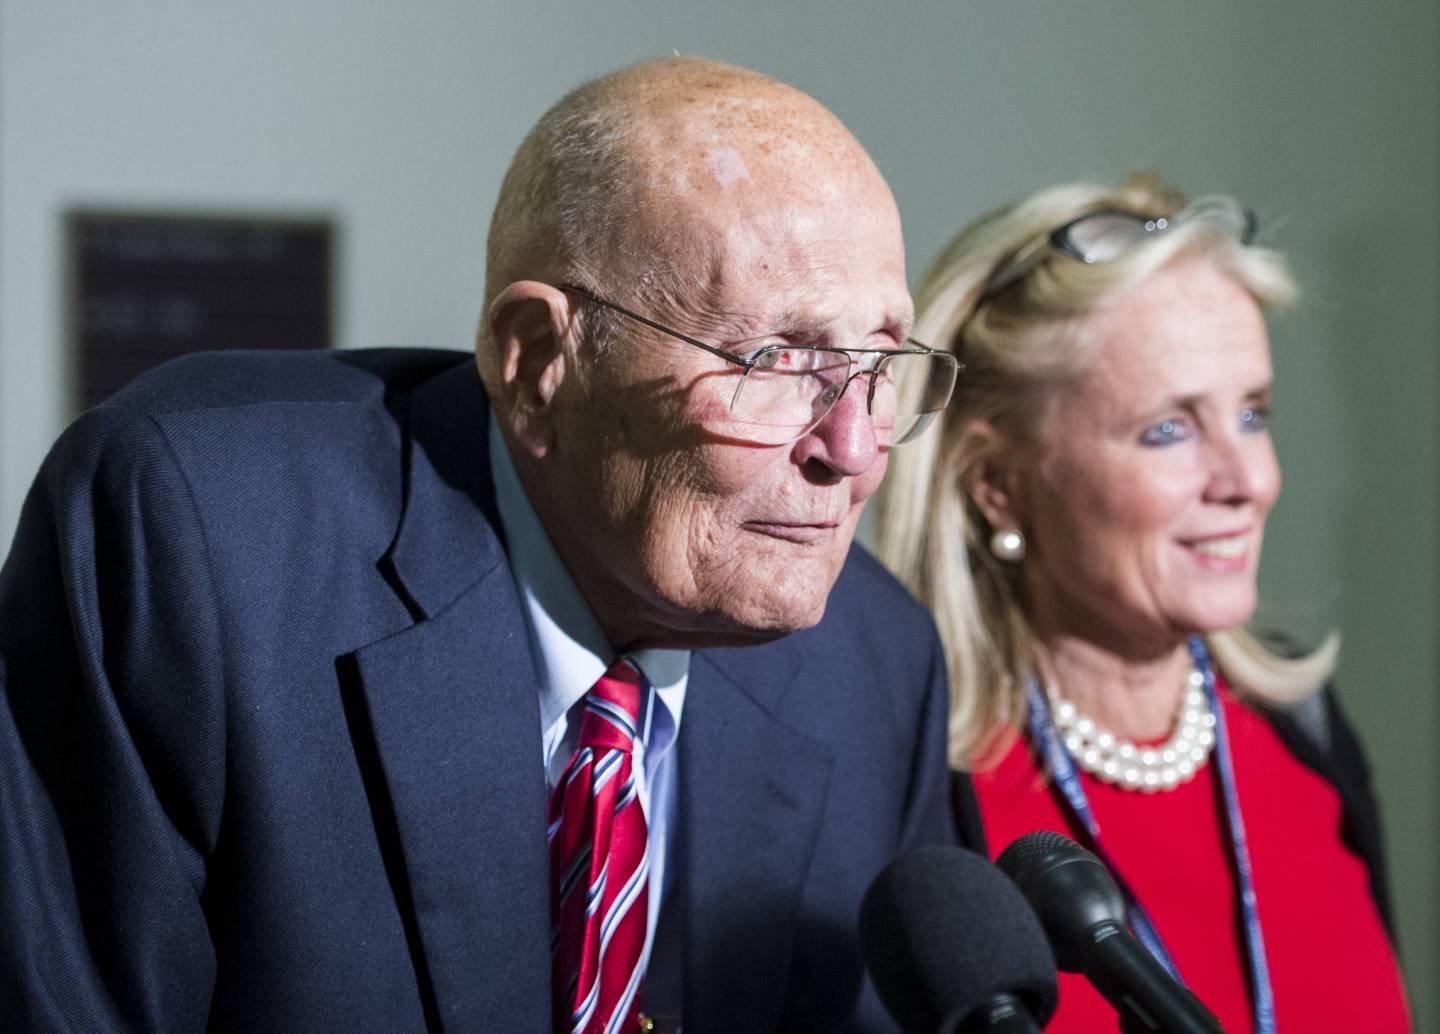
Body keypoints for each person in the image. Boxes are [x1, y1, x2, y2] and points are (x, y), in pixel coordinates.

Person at [0, 57, 963, 1032]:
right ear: (537, 360)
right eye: (778, 360)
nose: (851, 447)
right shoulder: (198, 540)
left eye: (882, 363)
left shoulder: (878, 666)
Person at [873, 173, 1410, 1032]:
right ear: (998, 485)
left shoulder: (1303, 734)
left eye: (1254, 415)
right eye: (1170, 429)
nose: (1250, 481)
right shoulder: (910, 800)